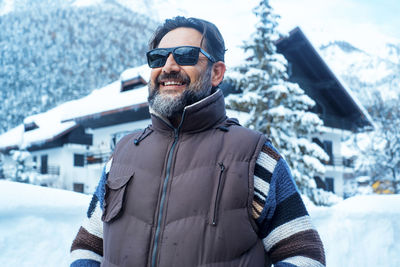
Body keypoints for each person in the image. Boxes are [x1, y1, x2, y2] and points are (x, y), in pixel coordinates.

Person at [70, 16, 325, 267]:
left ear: (216, 73)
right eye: (159, 58)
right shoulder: (122, 156)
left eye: (186, 55)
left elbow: (305, 255)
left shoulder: (255, 157)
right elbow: (88, 245)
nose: (168, 66)